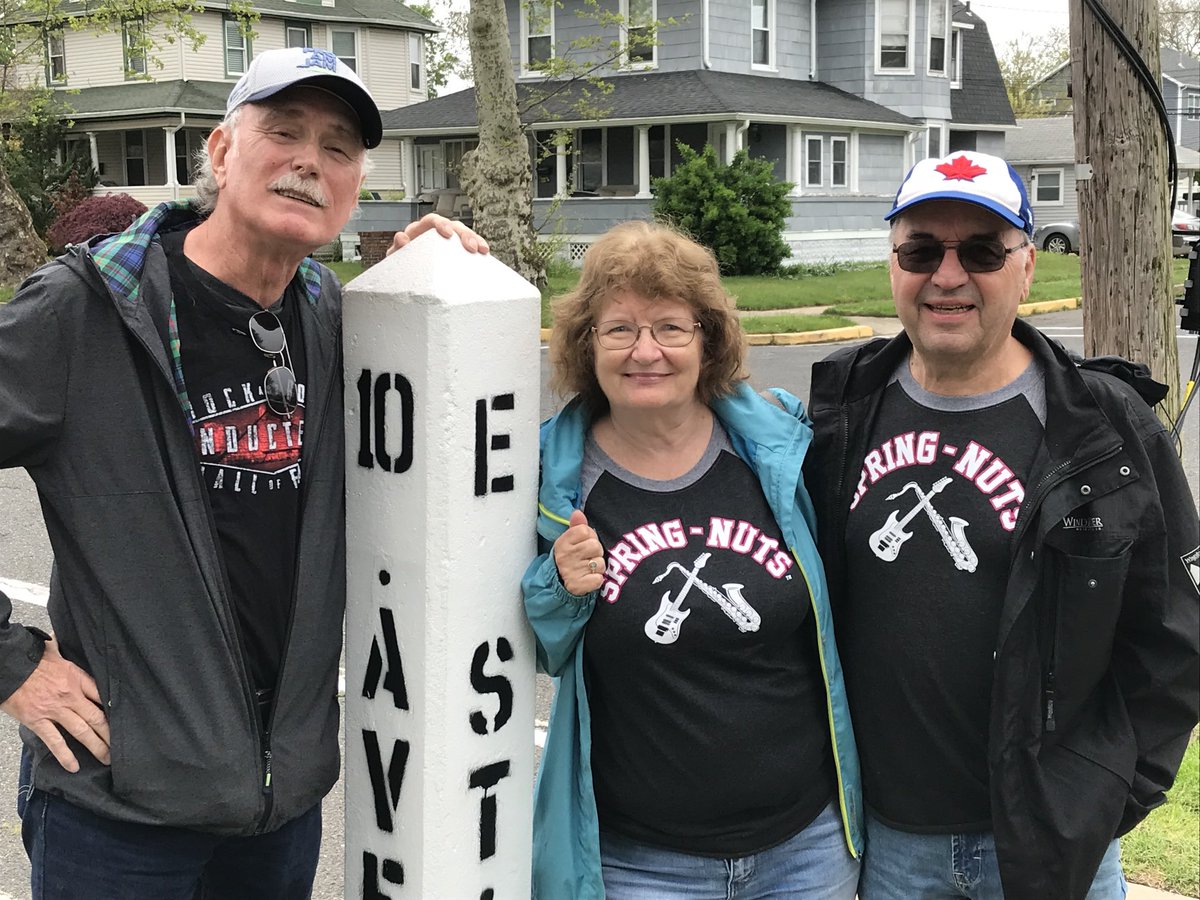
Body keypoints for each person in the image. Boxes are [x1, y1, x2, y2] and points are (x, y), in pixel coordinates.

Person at [0, 46, 485, 898]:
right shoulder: (87, 310)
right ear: (221, 153)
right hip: (118, 814)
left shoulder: (340, 322)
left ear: (354, 185)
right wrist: (10, 665)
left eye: (338, 147)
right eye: (284, 131)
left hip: (279, 814)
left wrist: (428, 283)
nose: (310, 161)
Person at [805, 150, 1200, 900]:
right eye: (921, 251)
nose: (948, 276)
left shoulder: (1104, 428)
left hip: (1051, 845)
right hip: (890, 845)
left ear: (1026, 268)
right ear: (893, 264)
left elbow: (1176, 636)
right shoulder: (840, 410)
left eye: (983, 252)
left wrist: (1107, 793)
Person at [523, 220, 863, 899]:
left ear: (708, 342)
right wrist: (559, 588)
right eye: (620, 329)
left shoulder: (778, 448)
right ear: (587, 344)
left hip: (805, 850)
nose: (645, 350)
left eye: (671, 328)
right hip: (641, 865)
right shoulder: (551, 478)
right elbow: (530, 650)